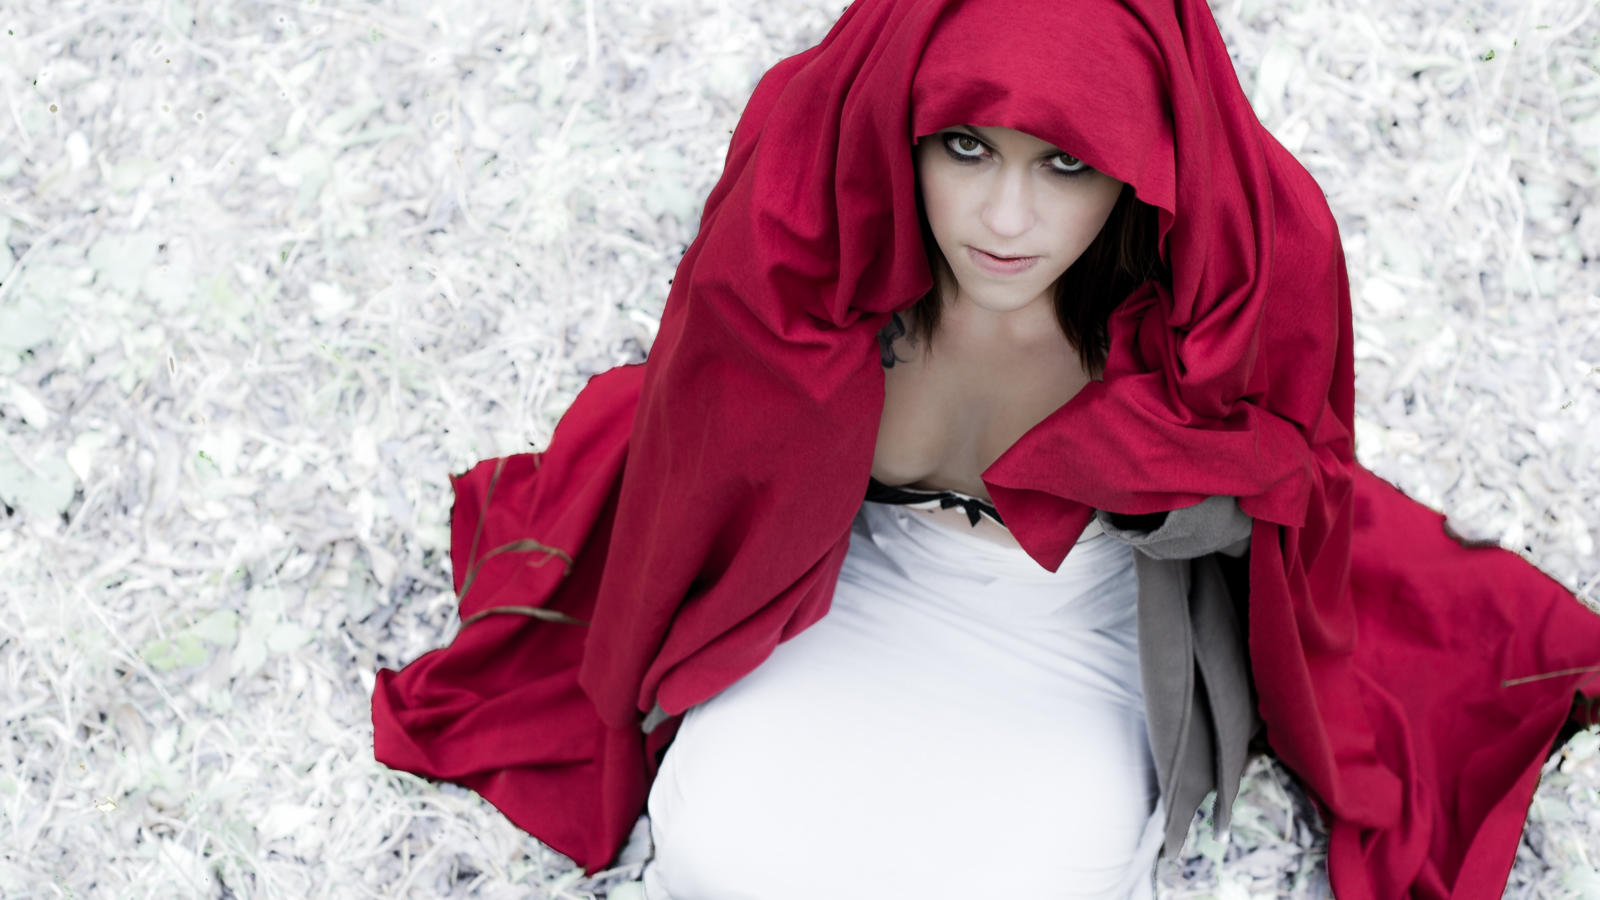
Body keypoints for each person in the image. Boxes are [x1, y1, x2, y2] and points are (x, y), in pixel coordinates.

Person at [372, 0, 1600, 897]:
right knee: (719, 856)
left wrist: (1173, 469)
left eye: (1066, 165)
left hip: (1069, 623)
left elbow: (1294, 502)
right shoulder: (808, 259)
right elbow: (703, 452)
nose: (1005, 221)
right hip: (843, 590)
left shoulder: (1226, 281)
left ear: (1142, 169)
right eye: (966, 148)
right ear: (901, 130)